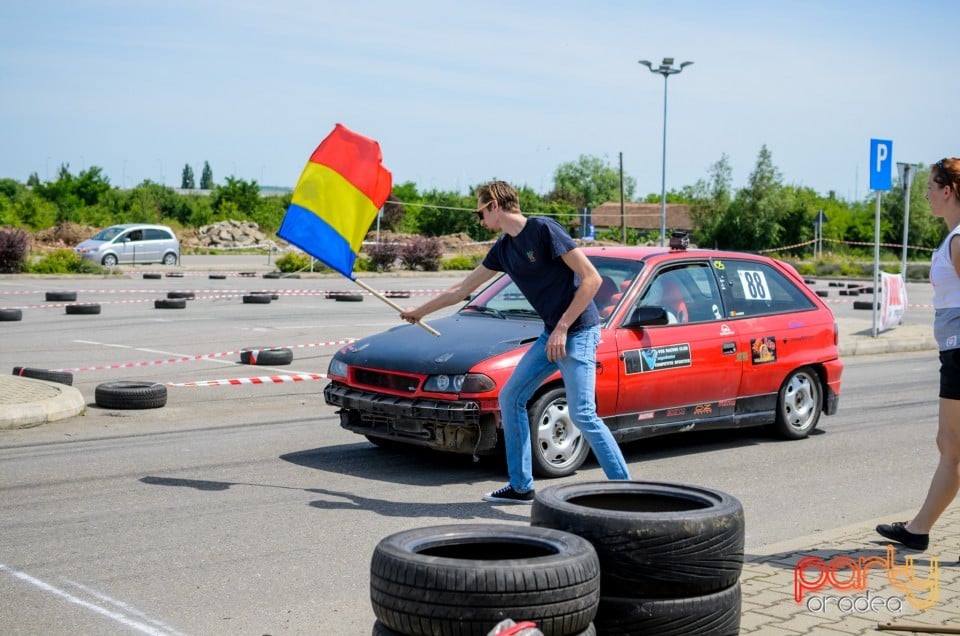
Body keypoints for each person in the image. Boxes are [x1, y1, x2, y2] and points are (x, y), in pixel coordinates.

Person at [399, 180, 632, 503]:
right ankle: (521, 487)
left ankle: (627, 490)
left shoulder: (543, 230)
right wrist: (418, 312)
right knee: (511, 398)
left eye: (479, 212)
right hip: (553, 334)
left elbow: (592, 278)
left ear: (494, 204)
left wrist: (563, 327)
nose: (479, 220)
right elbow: (462, 289)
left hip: (577, 331)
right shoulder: (503, 249)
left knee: (582, 414)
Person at [877, 157, 960, 551]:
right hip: (954, 353)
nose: (925, 193)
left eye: (931, 186)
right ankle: (919, 529)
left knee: (954, 445)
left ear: (948, 191)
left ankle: (919, 530)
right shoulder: (954, 237)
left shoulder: (959, 240)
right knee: (950, 444)